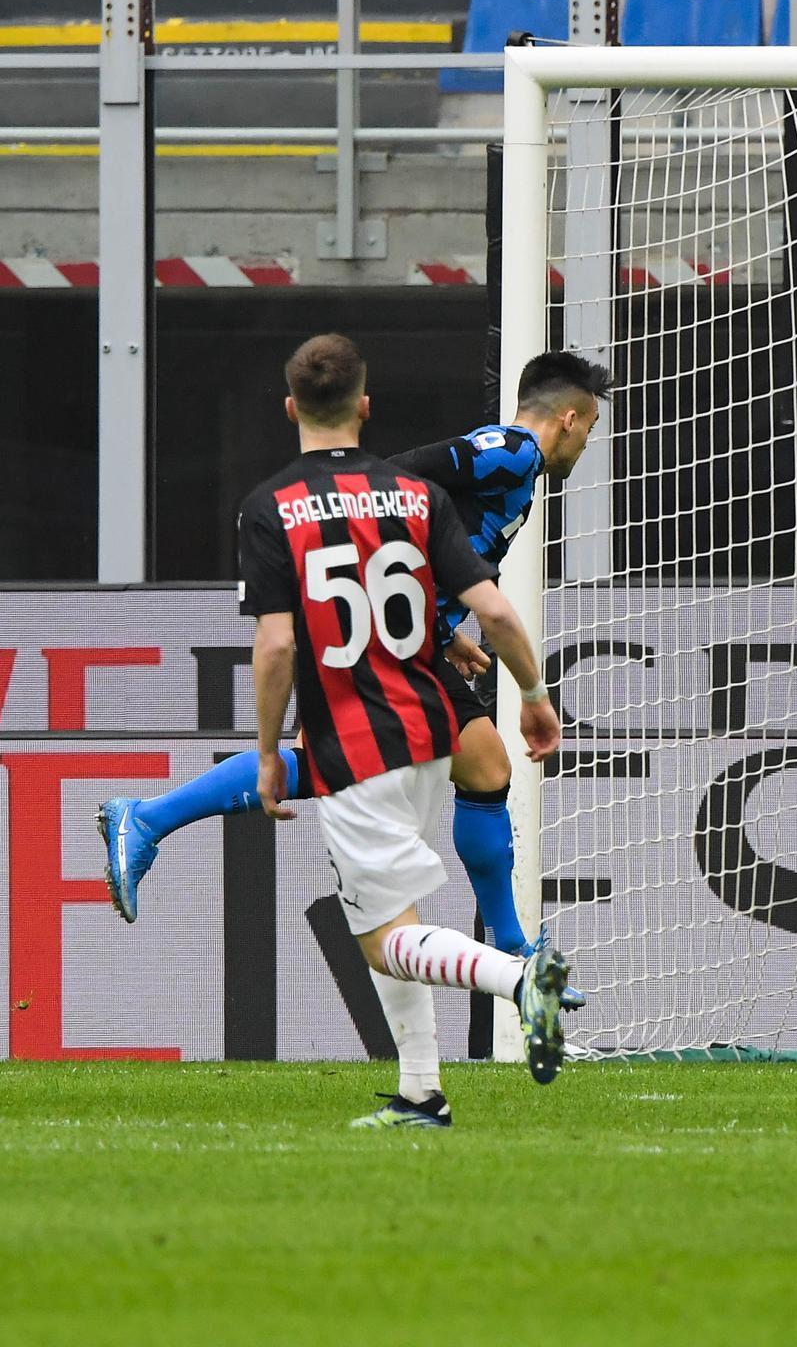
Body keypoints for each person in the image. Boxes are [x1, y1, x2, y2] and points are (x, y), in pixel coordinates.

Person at [99, 351, 610, 970]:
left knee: (480, 767)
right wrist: (530, 692)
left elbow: (421, 530)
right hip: (381, 637)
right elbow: (390, 486)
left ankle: (510, 944)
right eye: (590, 429)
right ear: (571, 418)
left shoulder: (507, 464)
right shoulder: (513, 451)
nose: (585, 445)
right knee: (360, 769)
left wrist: (444, 629)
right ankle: (146, 820)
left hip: (406, 635)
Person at [236, 334, 573, 1126]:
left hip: (353, 741)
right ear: (364, 406)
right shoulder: (414, 497)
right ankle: (422, 1091)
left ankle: (518, 980)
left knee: (386, 939)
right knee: (387, 918)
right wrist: (532, 691)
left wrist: (264, 751)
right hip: (429, 730)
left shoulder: (268, 507)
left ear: (290, 408)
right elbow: (489, 608)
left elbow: (278, 643)